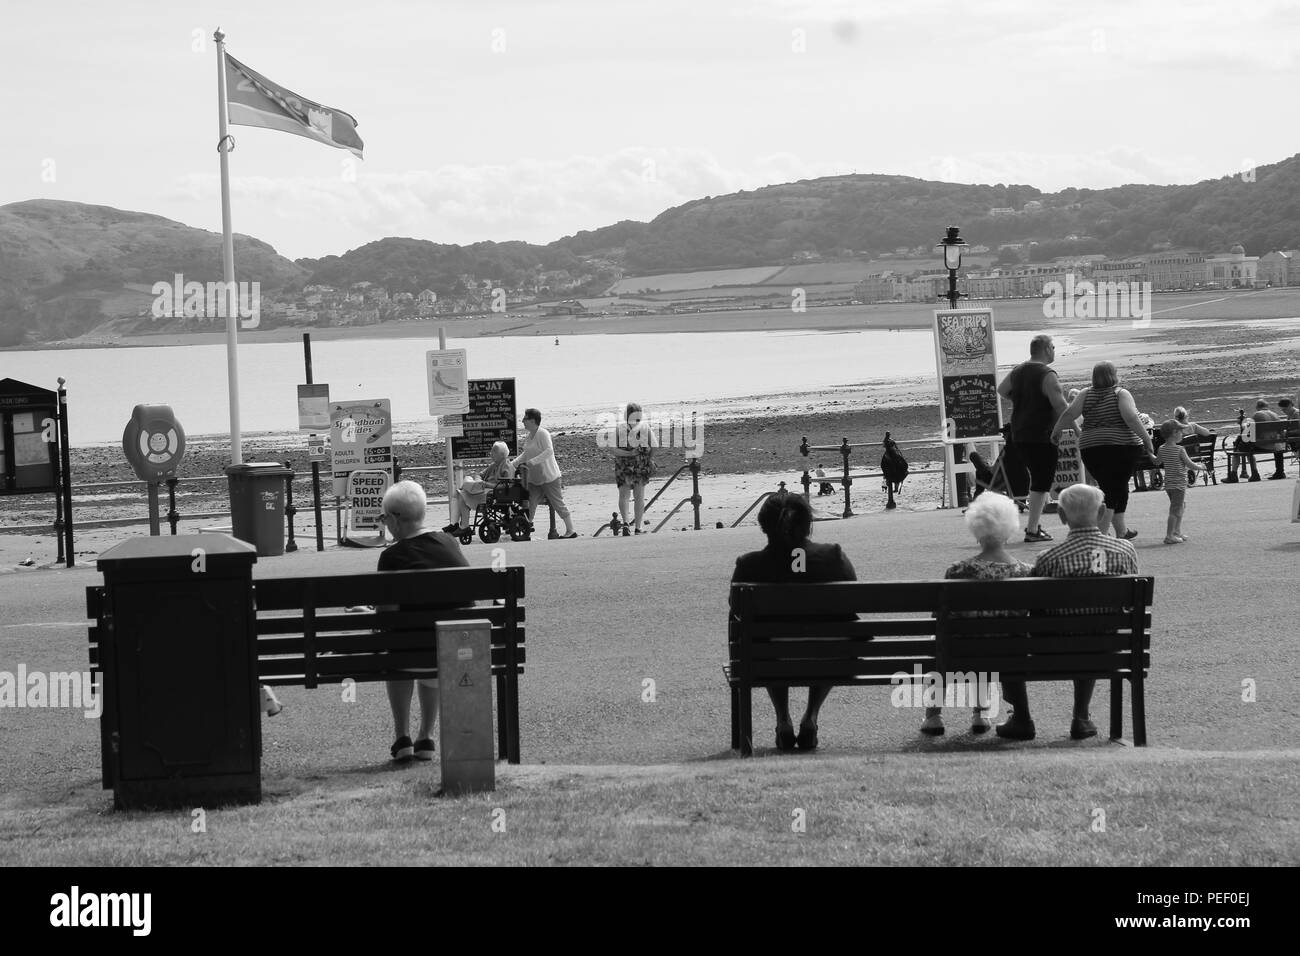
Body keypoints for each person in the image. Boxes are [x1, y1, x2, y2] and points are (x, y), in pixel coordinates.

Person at [995, 483, 1138, 741]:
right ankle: (1080, 716)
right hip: (1108, 647)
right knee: (1093, 625)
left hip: (1053, 648)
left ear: (1061, 516)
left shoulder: (1049, 557)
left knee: (1010, 635)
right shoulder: (1125, 550)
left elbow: (1033, 606)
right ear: (1103, 510)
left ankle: (1022, 717)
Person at [730, 494, 855, 752]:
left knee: (764, 642)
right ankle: (811, 716)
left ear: (764, 526)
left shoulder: (749, 565)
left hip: (769, 658)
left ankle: (783, 719)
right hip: (829, 656)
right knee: (829, 638)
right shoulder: (834, 556)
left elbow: (736, 610)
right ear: (807, 524)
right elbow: (852, 606)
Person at [920, 493, 1032, 737]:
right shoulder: (1025, 572)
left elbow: (938, 618)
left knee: (948, 638)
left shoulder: (958, 570)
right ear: (1010, 528)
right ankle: (980, 713)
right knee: (990, 636)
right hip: (1012, 652)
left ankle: (933, 716)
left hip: (962, 650)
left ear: (976, 529)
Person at [376, 480, 471, 763]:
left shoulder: (391, 557)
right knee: (428, 643)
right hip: (453, 652)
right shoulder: (449, 542)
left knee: (399, 648)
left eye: (384, 518)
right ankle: (426, 736)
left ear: (394, 518)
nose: (385, 524)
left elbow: (386, 616)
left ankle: (401, 737)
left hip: (408, 655)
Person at [1051, 361, 1155, 539]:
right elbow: (1130, 418)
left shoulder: (1085, 394)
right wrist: (1147, 440)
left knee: (1114, 487)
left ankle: (1121, 530)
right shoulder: (1121, 394)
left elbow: (1069, 414)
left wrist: (1056, 431)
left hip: (1091, 448)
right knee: (1114, 489)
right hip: (1123, 447)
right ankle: (1101, 533)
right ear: (1114, 375)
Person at [996, 334, 1068, 542]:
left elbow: (1002, 390)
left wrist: (1023, 399)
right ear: (1046, 349)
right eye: (1053, 347)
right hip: (1041, 433)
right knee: (1041, 481)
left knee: (1038, 479)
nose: (1054, 350)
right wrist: (1077, 429)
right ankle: (1032, 529)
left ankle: (1034, 527)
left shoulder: (1019, 370)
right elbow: (1061, 406)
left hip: (1019, 433)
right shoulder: (1047, 374)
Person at [509, 408, 578, 538]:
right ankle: (526, 528)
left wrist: (532, 462)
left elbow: (549, 451)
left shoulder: (543, 433)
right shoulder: (530, 436)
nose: (523, 421)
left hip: (549, 477)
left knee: (557, 503)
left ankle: (571, 530)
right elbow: (526, 454)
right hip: (535, 478)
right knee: (531, 501)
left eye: (525, 418)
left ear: (533, 420)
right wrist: (514, 463)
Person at [444, 441, 513, 536]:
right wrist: (479, 481)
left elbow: (506, 486)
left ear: (501, 454)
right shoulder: (494, 465)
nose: (491, 454)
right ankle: (454, 524)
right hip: (484, 489)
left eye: (494, 452)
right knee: (459, 492)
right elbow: (479, 474)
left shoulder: (507, 466)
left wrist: (486, 484)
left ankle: (463, 526)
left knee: (460, 494)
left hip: (493, 493)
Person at [1156, 420, 1205, 543]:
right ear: (1174, 433)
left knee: (1181, 505)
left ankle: (1176, 531)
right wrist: (1200, 467)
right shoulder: (1179, 449)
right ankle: (1169, 535)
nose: (1182, 434)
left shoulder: (1161, 448)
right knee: (1175, 510)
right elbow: (1190, 464)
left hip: (1169, 484)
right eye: (1181, 432)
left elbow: (1157, 462)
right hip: (1179, 484)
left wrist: (1150, 454)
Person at [612, 403, 655, 535]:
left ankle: (625, 523)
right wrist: (648, 458)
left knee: (624, 495)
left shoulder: (619, 428)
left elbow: (614, 450)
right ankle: (638, 527)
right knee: (639, 497)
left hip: (623, 466)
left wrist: (627, 454)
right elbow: (655, 445)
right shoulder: (644, 427)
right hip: (640, 466)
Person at [1252, 399, 1287, 480]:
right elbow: (1281, 432)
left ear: (1257, 407)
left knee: (1245, 446)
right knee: (1278, 446)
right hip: (1276, 445)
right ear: (1267, 406)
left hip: (1263, 446)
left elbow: (1252, 432)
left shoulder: (1257, 415)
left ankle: (1254, 473)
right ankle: (1280, 472)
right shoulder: (1275, 415)